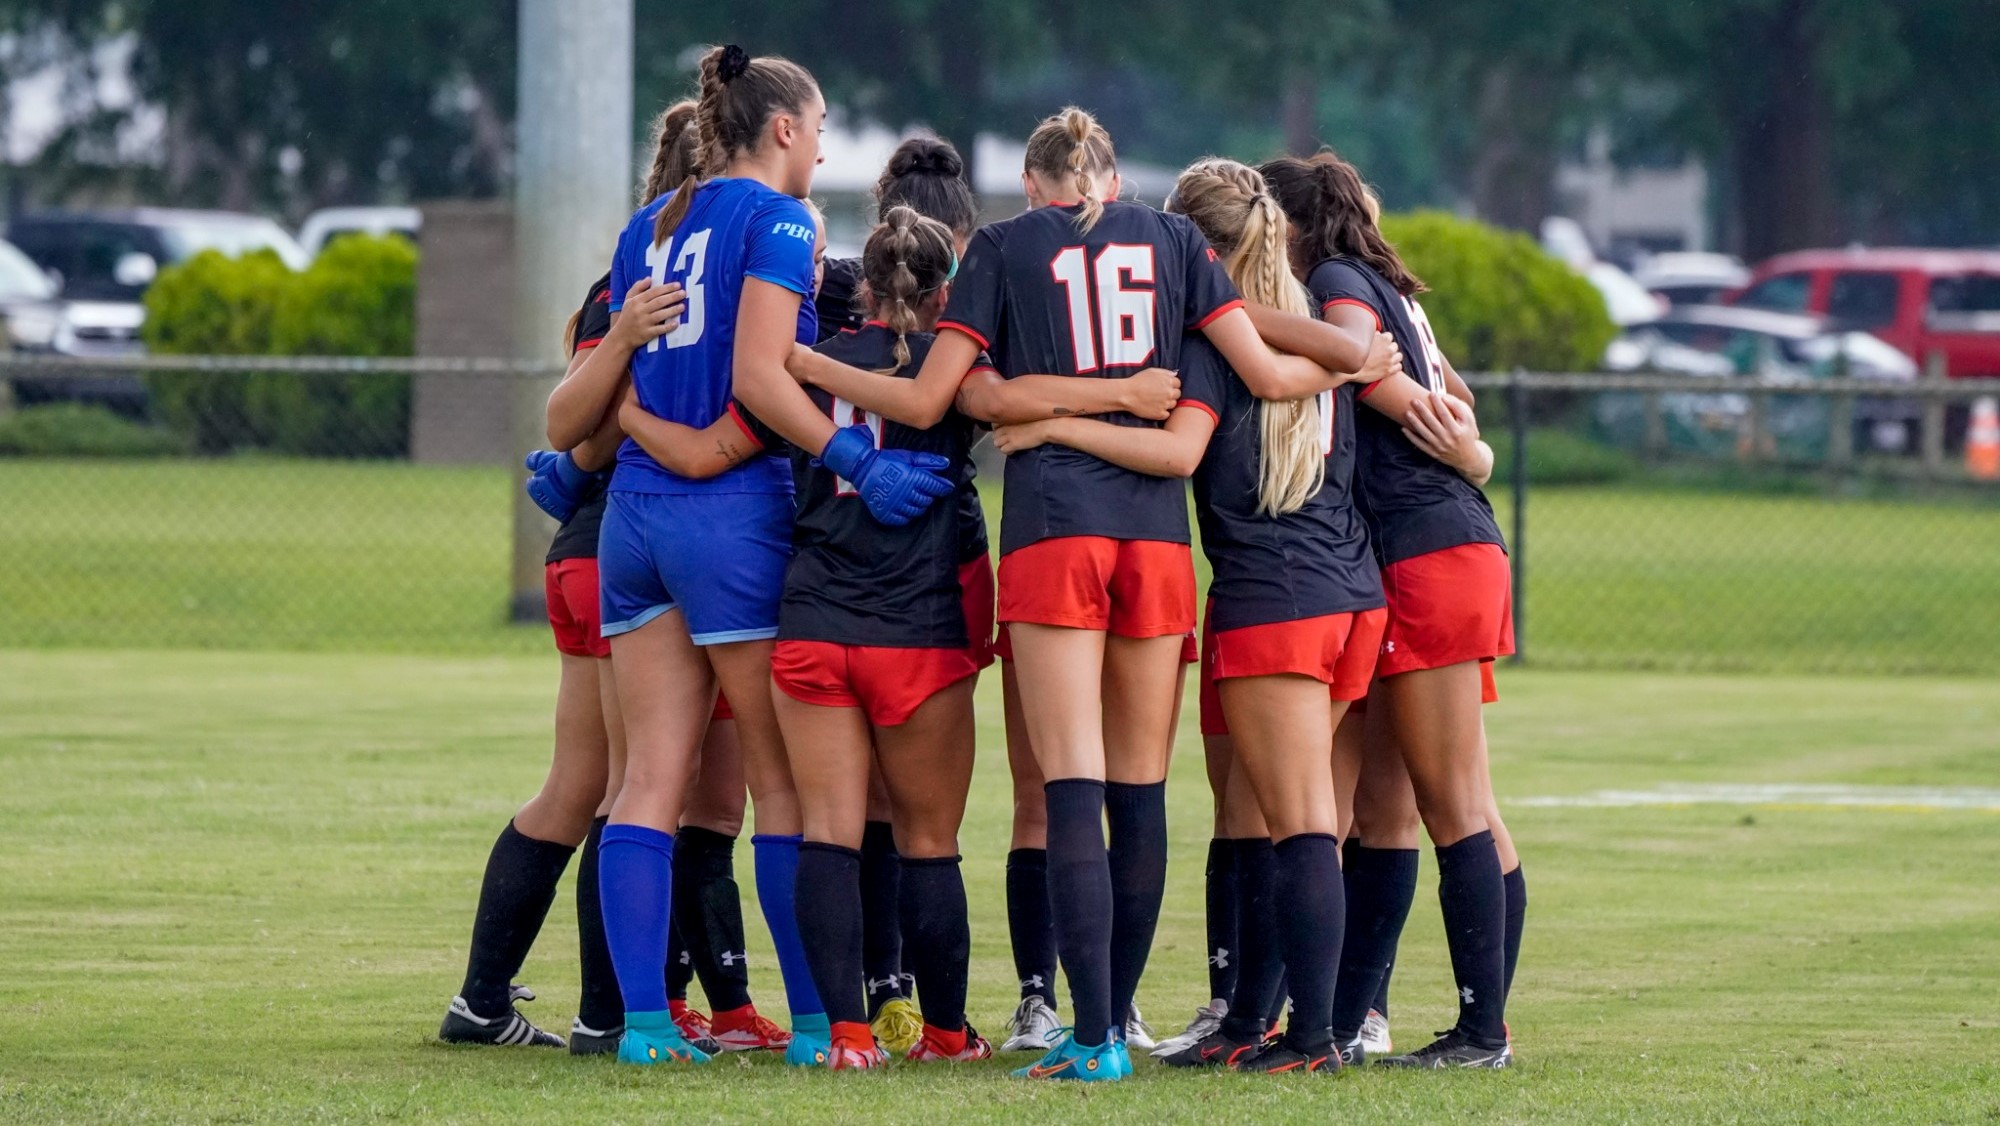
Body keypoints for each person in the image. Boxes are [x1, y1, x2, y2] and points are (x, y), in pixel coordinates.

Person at [785, 106, 1375, 1082]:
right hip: (1154, 538)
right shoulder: (1177, 241)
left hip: (1055, 530)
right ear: (1111, 179)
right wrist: (1355, 356)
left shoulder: (1003, 247)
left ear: (1031, 186)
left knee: (1068, 787)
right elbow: (1269, 369)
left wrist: (807, 365)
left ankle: (1091, 1035)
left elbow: (944, 398)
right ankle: (1119, 1023)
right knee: (1138, 794)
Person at [592, 44, 959, 1068]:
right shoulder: (781, 218)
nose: (824, 148)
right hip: (731, 517)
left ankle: (646, 1028)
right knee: (784, 786)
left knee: (648, 779)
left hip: (635, 514)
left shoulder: (648, 224)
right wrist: (854, 457)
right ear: (784, 128)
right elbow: (760, 377)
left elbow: (629, 375)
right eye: (822, 126)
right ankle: (814, 1027)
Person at [991, 157, 1392, 1074]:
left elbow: (1177, 453)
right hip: (1349, 588)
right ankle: (1248, 1022)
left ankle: (1315, 1037)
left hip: (1275, 594)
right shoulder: (1310, 326)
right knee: (1267, 818)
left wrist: (1053, 425)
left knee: (1298, 822)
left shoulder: (1211, 342)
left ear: (1198, 251)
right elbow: (1341, 367)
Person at [1262, 150, 1525, 1069]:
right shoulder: (1383, 283)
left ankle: (1481, 1030)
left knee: (1455, 805)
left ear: (1291, 226)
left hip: (1427, 550)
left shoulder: (1338, 280)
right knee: (1394, 804)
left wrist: (1443, 434)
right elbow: (1461, 395)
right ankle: (1353, 1019)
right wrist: (1468, 444)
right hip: (1431, 549)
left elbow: (1378, 374)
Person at [809, 135, 984, 1055]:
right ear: (946, 293)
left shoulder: (811, 361)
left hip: (814, 619)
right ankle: (946, 1033)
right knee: (928, 839)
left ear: (864, 285)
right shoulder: (954, 372)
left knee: (829, 836)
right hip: (917, 627)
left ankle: (846, 1033)